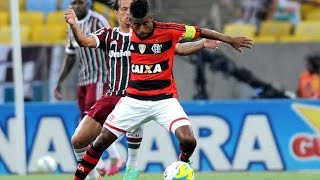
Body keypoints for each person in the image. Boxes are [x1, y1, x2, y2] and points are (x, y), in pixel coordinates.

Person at [68, 0, 253, 179]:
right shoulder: (116, 36)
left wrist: (227, 40)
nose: (141, 29)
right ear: (129, 20)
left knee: (189, 140)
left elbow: (195, 35)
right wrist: (75, 26)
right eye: (136, 23)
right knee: (95, 142)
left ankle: (177, 164)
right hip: (130, 99)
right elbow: (84, 41)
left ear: (151, 17)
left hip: (164, 100)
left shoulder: (168, 30)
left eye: (145, 23)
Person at [53, 0, 124, 178]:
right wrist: (60, 81)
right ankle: (100, 165)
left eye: (81, 2)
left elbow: (113, 46)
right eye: (74, 2)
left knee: (93, 120)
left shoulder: (99, 21)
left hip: (100, 78)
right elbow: (70, 57)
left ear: (88, 3)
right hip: (83, 80)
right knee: (85, 123)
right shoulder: (72, 25)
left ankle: (113, 158)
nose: (77, 6)